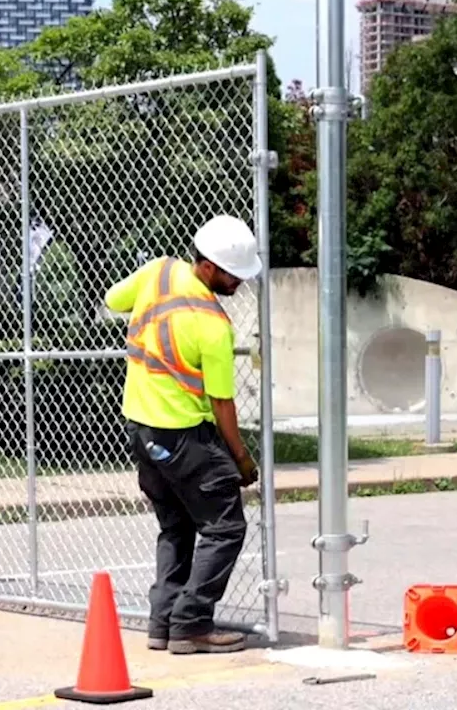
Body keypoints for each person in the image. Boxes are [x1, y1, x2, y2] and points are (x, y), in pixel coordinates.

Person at [104, 214, 263, 655]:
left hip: (141, 432)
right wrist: (240, 458)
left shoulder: (158, 271)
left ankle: (164, 624)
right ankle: (191, 624)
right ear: (209, 267)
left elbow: (114, 299)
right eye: (233, 275)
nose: (238, 283)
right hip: (185, 438)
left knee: (176, 527)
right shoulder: (213, 324)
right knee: (225, 526)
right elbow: (222, 403)